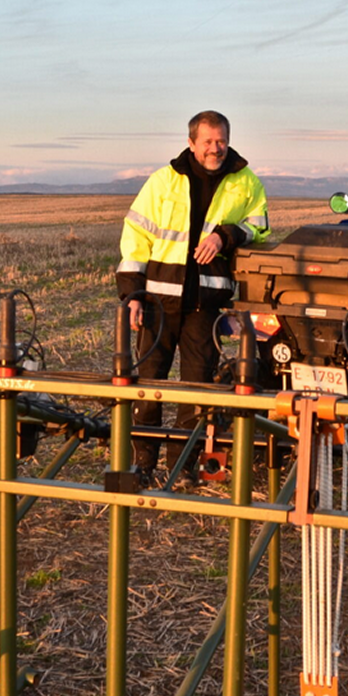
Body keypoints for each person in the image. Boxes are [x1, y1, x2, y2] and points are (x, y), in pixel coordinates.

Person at [116, 110, 270, 482]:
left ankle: (181, 466)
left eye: (220, 141)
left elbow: (260, 225)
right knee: (148, 385)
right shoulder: (162, 182)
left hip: (207, 303)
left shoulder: (246, 181)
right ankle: (143, 464)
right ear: (192, 143)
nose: (215, 149)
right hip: (157, 302)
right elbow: (136, 237)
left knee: (196, 388)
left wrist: (226, 235)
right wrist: (132, 294)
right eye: (207, 142)